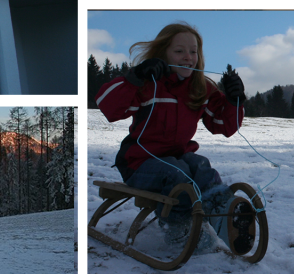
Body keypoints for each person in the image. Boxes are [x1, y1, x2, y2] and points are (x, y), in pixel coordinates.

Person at [94, 22, 248, 254]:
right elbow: (108, 107)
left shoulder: (201, 88)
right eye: (179, 51)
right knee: (177, 174)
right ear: (163, 54)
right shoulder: (149, 85)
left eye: (193, 51)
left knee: (200, 165)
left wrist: (234, 100)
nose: (188, 57)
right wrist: (135, 78)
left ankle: (223, 214)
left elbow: (222, 125)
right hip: (139, 164)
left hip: (179, 159)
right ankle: (180, 228)